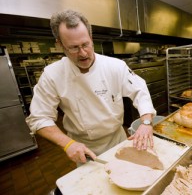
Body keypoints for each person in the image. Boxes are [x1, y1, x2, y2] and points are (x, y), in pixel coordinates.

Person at [25, 9, 156, 164]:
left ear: (91, 38)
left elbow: (139, 90)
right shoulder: (52, 75)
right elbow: (39, 118)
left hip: (117, 139)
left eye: (86, 44)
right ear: (60, 44)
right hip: (83, 149)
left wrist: (146, 122)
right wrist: (67, 144)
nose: (83, 53)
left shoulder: (115, 66)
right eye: (73, 48)